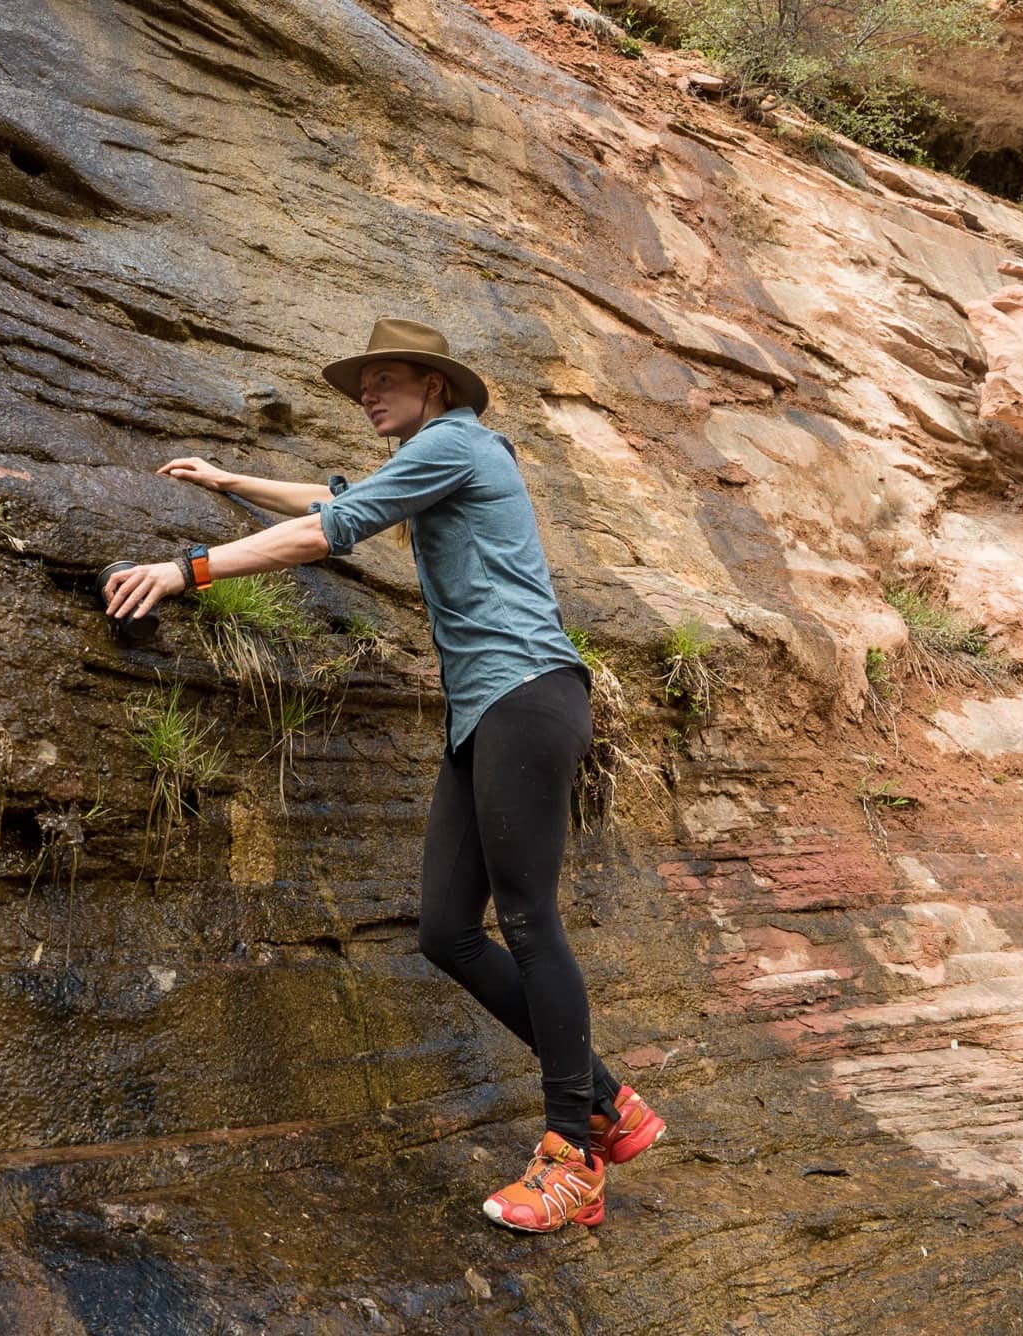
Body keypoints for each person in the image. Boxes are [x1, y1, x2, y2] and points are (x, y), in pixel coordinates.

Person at [103, 318, 664, 1232]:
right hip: (484, 710)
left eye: (386, 379)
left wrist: (185, 570)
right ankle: (606, 1100)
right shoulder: (440, 453)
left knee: (526, 919)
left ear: (436, 387)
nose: (367, 393)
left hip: (525, 691)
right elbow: (344, 495)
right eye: (361, 383)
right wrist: (230, 479)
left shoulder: (455, 443)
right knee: (446, 931)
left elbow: (332, 528)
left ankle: (574, 1154)